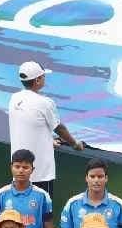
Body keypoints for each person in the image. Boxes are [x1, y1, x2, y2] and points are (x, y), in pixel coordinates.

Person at [8, 61, 85, 198]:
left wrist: (49, 141)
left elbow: (29, 125)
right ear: (37, 80)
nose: (44, 79)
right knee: (42, 214)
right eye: (43, 76)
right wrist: (75, 144)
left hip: (18, 169)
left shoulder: (14, 99)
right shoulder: (45, 103)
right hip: (40, 173)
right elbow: (59, 128)